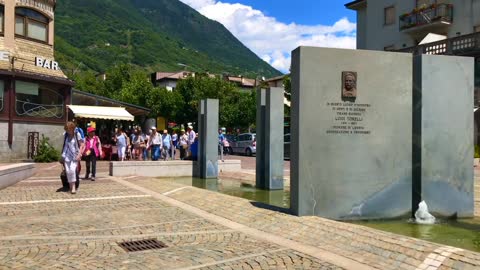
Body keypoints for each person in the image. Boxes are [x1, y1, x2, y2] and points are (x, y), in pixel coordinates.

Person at [61, 121, 85, 194]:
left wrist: (79, 154)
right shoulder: (65, 135)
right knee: (68, 171)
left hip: (75, 155)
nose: (68, 131)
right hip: (66, 156)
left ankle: (74, 187)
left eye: (69, 129)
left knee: (72, 170)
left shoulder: (77, 134)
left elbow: (82, 145)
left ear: (72, 128)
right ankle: (70, 186)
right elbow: (64, 145)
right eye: (67, 129)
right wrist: (62, 156)